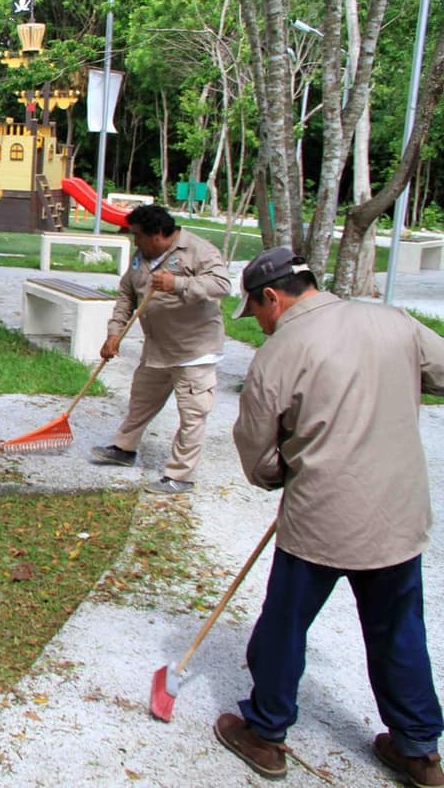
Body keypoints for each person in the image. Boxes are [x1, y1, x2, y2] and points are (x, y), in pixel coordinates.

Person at [217, 246, 444, 785]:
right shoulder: (394, 321)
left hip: (321, 517)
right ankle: (419, 752)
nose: (263, 327)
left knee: (284, 626)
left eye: (258, 312)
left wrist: (278, 474)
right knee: (399, 630)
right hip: (396, 515)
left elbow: (256, 446)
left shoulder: (279, 352)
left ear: (272, 296)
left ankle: (266, 734)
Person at [89, 204, 230, 494]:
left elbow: (221, 285)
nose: (134, 242)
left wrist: (177, 283)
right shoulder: (142, 257)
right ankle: (123, 449)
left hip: (195, 351)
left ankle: (181, 475)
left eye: (138, 236)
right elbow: (127, 294)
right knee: (141, 400)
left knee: (192, 414)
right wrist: (114, 333)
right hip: (157, 349)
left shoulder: (198, 250)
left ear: (158, 235)